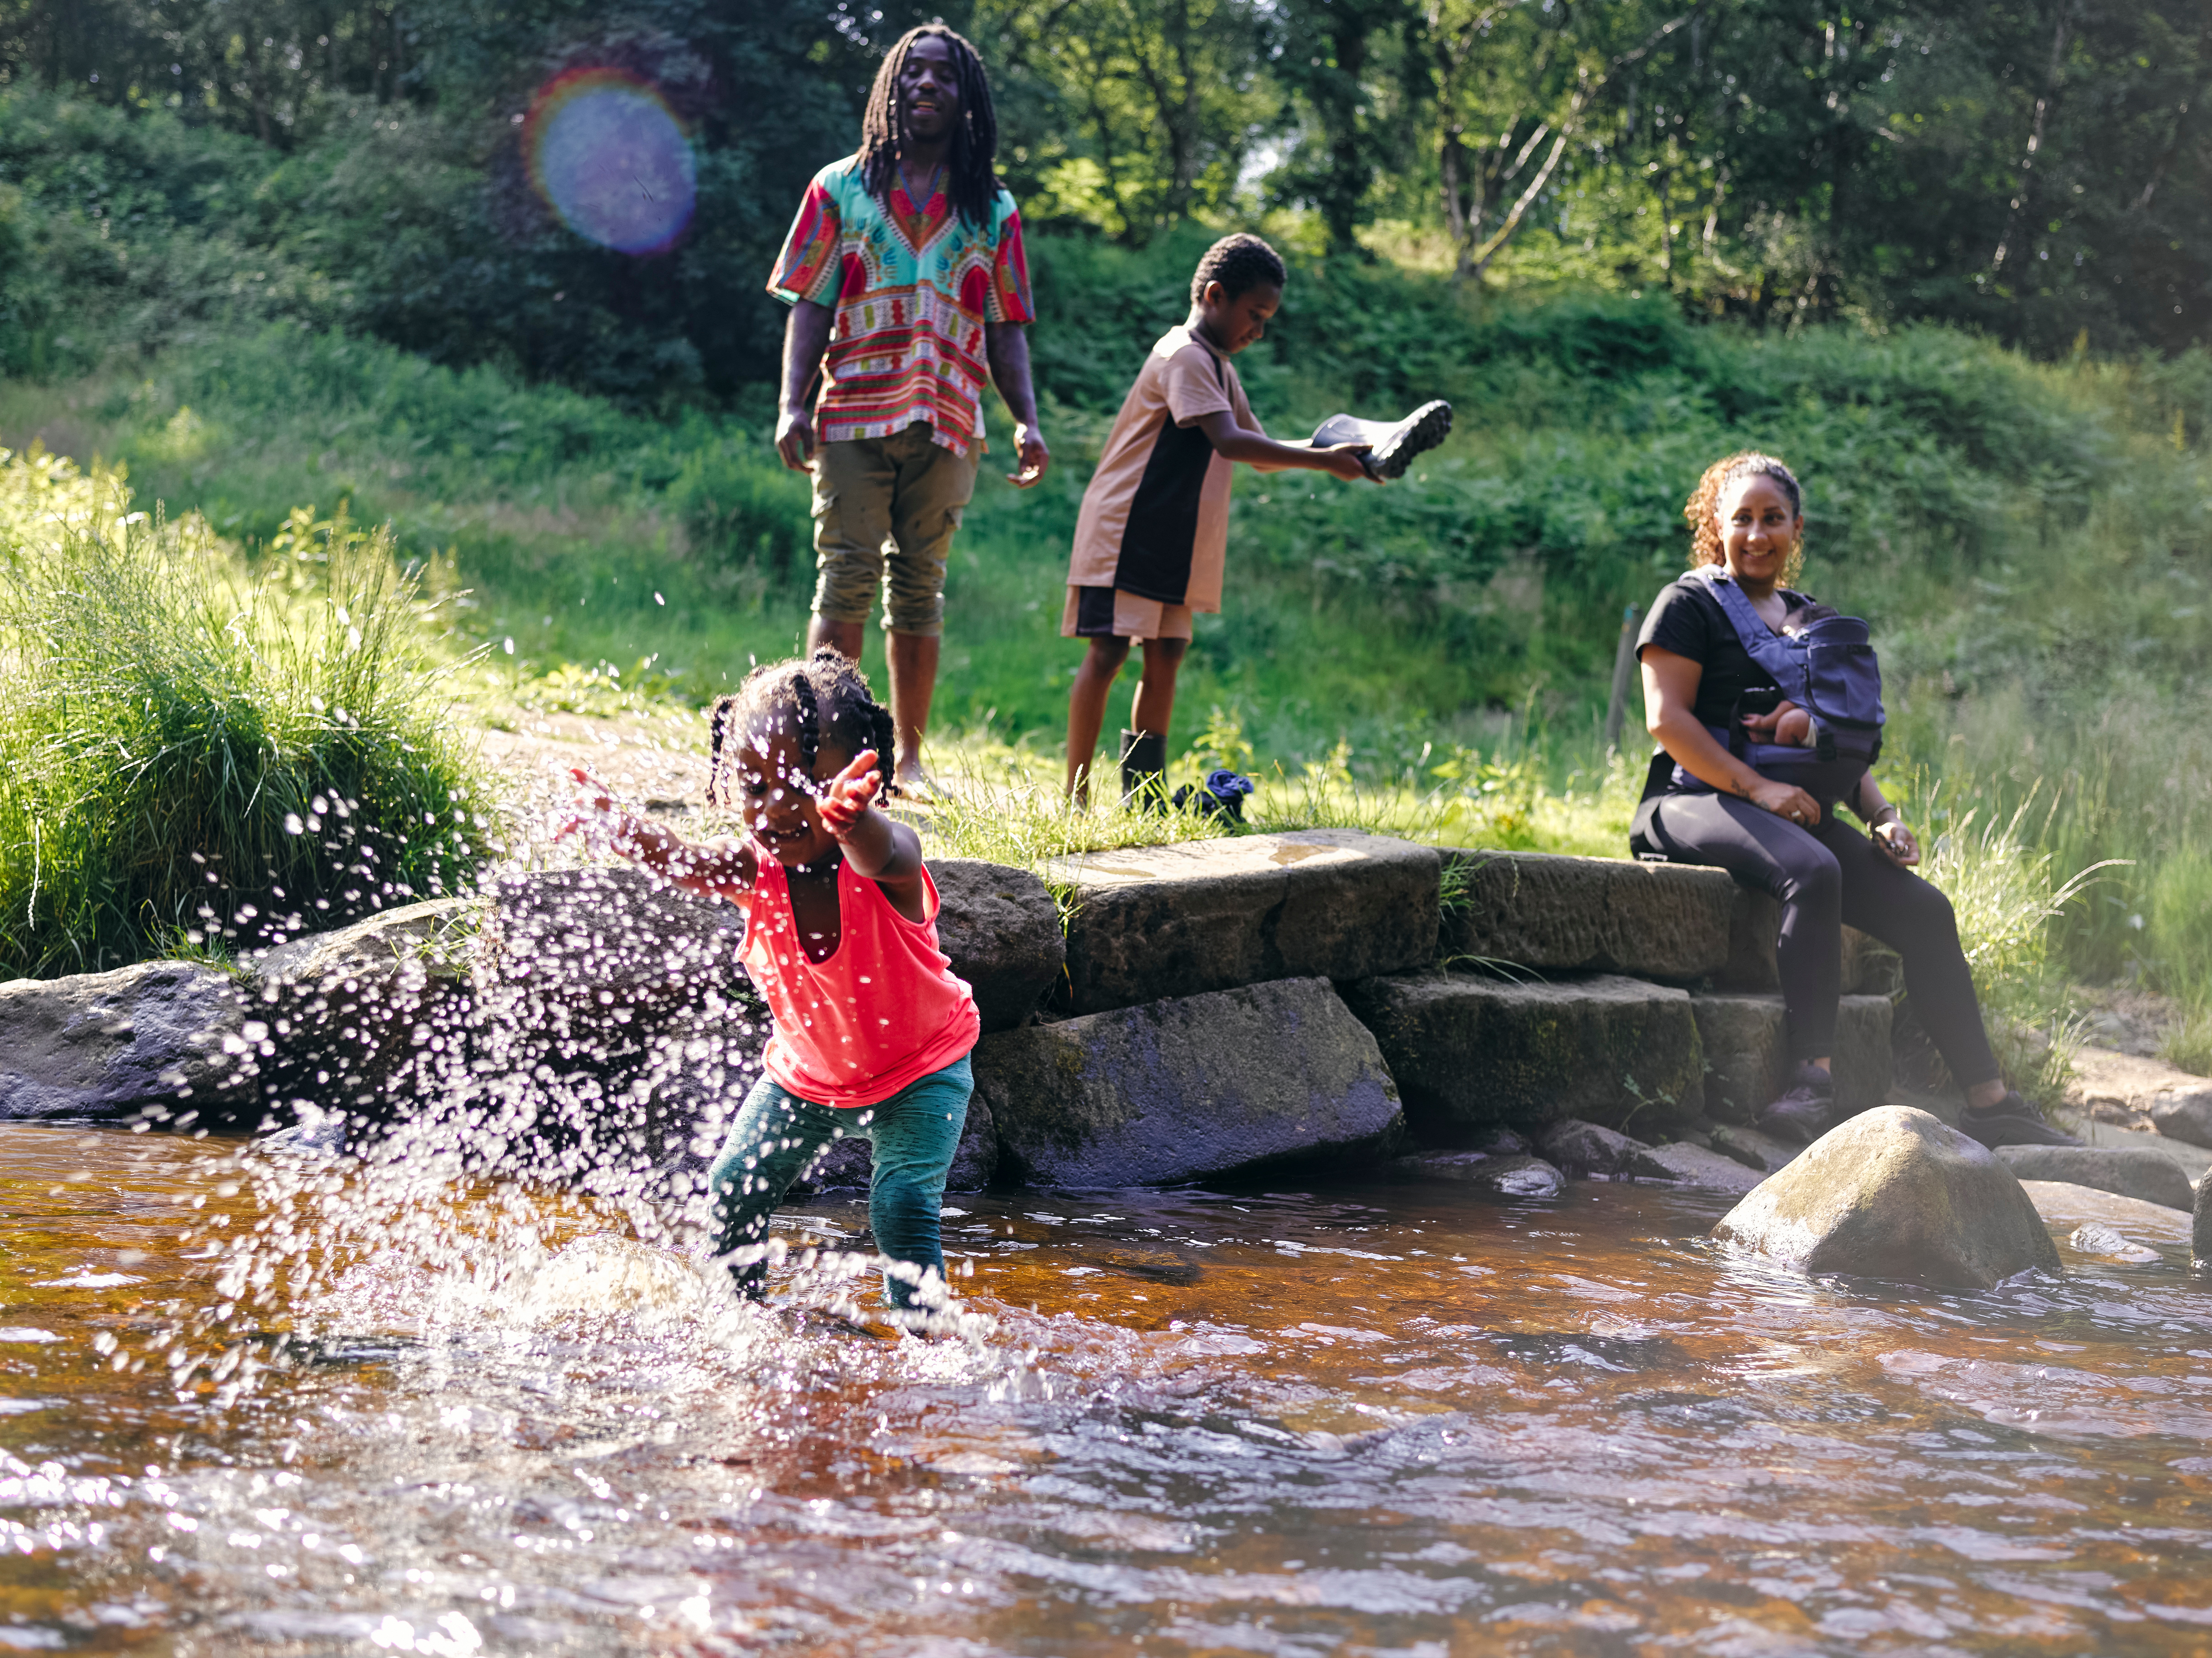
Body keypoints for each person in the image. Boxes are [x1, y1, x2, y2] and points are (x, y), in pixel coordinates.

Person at [1633, 451, 2079, 1150]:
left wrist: (1882, 816)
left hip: (1795, 806)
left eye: (1771, 519)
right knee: (1813, 872)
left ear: (1795, 527)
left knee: (1927, 910)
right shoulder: (1687, 604)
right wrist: (1758, 786)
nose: (1756, 534)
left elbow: (1841, 747)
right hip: (1692, 797)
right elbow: (1667, 720)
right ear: (1715, 526)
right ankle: (1813, 1082)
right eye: (1741, 519)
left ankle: (1991, 1103)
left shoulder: (1817, 622)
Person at [561, 649, 981, 1320]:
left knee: (899, 1204)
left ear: (860, 781)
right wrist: (620, 824)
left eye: (807, 785)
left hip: (921, 1071)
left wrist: (856, 824)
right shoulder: (752, 873)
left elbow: (889, 853)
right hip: (807, 1080)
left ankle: (923, 1339)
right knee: (733, 1187)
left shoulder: (882, 862)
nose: (778, 807)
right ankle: (739, 1320)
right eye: (755, 785)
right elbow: (682, 860)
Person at [768, 26, 1049, 792]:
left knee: (921, 585)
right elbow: (809, 304)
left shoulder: (993, 207)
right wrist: (793, 405)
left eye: (944, 77)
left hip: (952, 418)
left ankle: (909, 762)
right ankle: (827, 756)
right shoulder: (839, 188)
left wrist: (1026, 418)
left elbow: (1006, 324)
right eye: (912, 74)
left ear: (966, 101)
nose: (926, 86)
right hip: (853, 412)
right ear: (891, 90)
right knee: (846, 578)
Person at [1059, 233, 1381, 805]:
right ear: (1214, 295)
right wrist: (1322, 461)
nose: (1258, 330)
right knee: (1108, 652)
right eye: (1254, 315)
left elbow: (1256, 450)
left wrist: (1338, 450)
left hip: (1174, 542)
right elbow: (1229, 443)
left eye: (1266, 320)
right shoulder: (1183, 356)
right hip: (1125, 531)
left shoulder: (1218, 367)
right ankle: (1075, 799)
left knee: (1165, 655)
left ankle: (1142, 797)